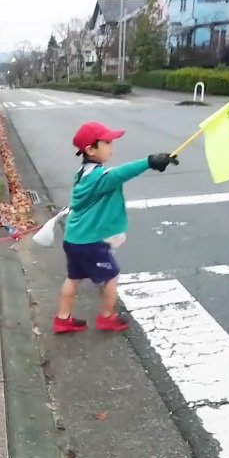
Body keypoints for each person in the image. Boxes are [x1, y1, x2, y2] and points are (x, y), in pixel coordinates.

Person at [53, 121, 178, 334]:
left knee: (73, 278)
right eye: (107, 142)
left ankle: (62, 320)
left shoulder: (83, 172)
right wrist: (149, 161)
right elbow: (119, 174)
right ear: (90, 149)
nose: (112, 147)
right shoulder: (98, 176)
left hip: (74, 238)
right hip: (90, 241)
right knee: (111, 275)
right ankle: (107, 317)